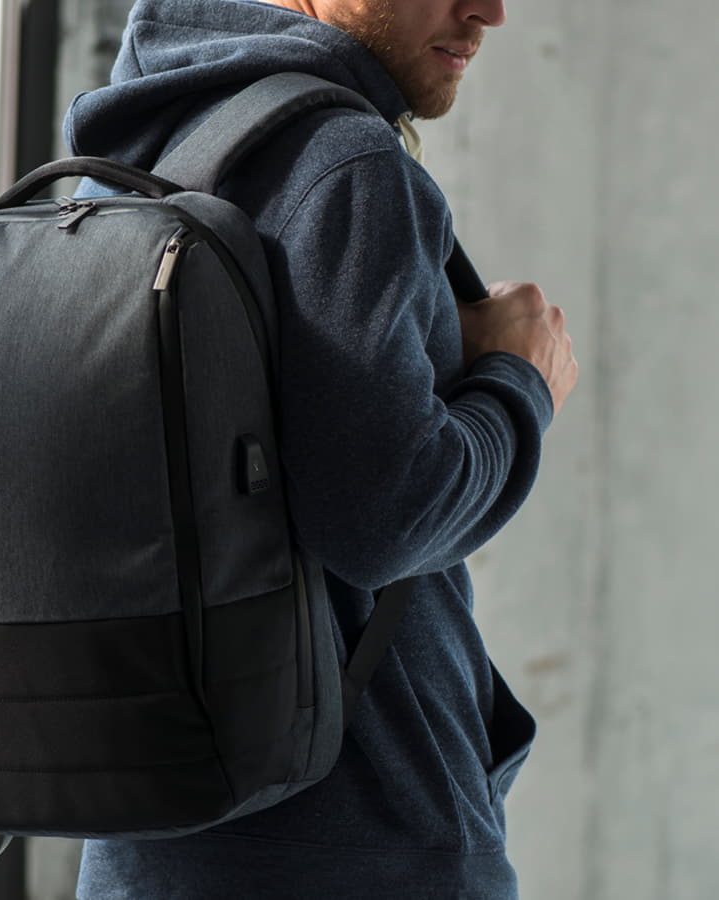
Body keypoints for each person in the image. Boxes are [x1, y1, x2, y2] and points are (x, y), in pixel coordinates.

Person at [64, 0, 578, 897]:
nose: (490, 11)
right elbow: (388, 516)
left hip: (147, 841)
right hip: (364, 841)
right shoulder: (342, 159)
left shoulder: (132, 154)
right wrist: (518, 382)